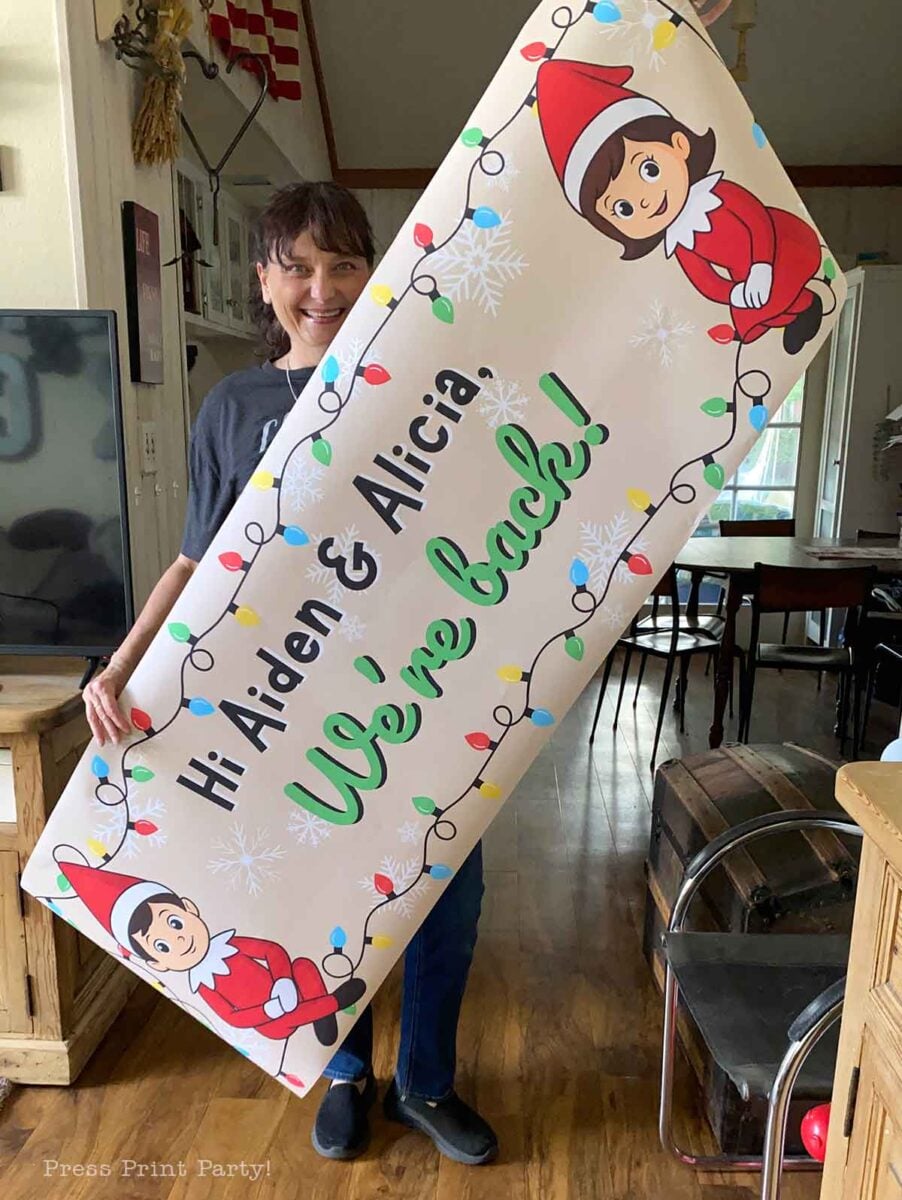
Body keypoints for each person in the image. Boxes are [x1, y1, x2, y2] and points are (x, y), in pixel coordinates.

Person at [82, 181, 497, 1167]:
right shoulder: (233, 406)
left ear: (373, 271)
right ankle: (346, 1076)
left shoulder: (411, 381)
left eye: (344, 264)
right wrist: (124, 661)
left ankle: (426, 1083)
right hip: (282, 707)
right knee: (323, 890)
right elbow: (195, 558)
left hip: (419, 688)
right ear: (264, 278)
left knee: (447, 889)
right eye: (299, 266)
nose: (322, 288)